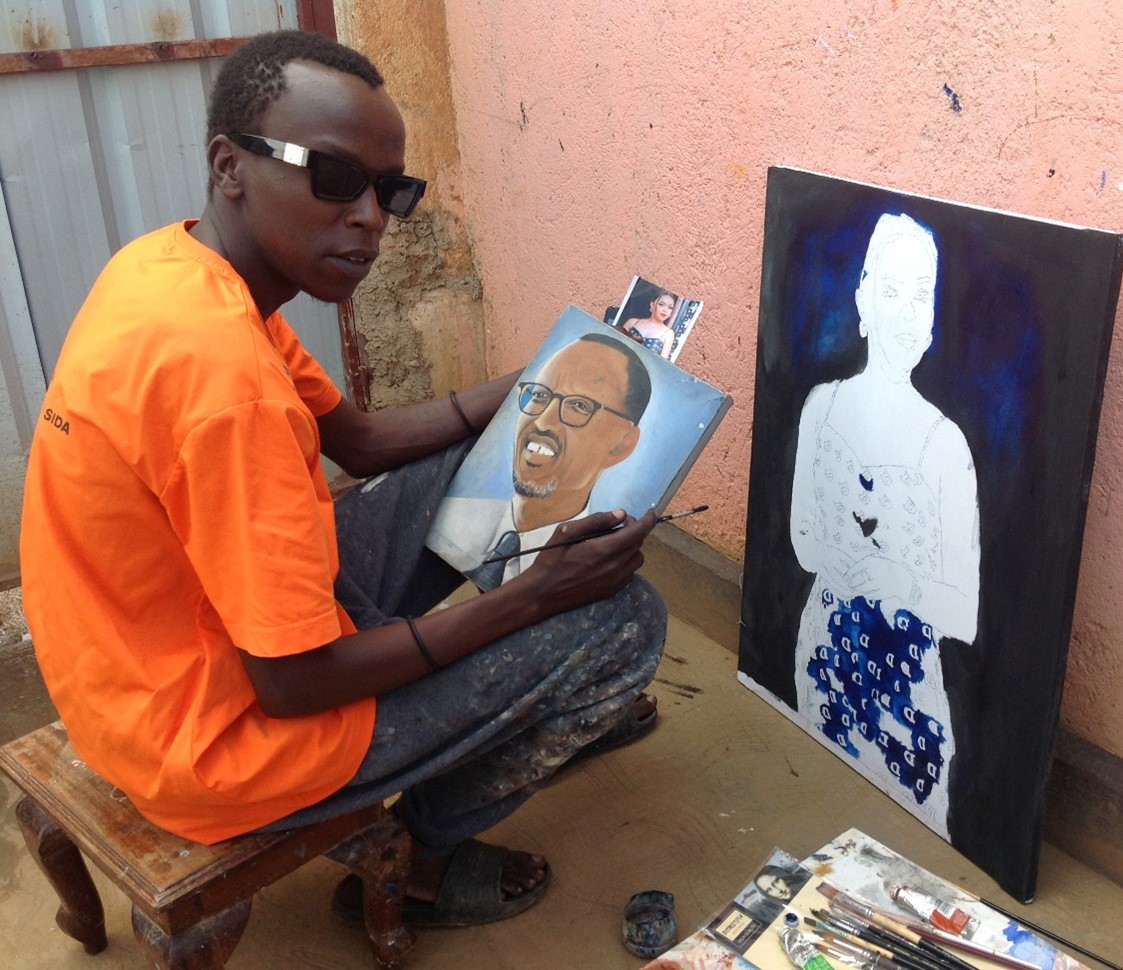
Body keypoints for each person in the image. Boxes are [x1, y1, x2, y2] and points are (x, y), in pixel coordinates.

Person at [19, 29, 664, 932]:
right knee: (624, 626)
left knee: (465, 465)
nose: (366, 215)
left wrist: (539, 383)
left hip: (135, 666)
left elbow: (359, 442)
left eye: (387, 190)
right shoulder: (226, 386)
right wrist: (533, 602)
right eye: (330, 177)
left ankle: (523, 691)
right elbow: (291, 684)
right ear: (229, 163)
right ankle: (432, 856)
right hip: (216, 740)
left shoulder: (178, 267)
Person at [788, 212, 980, 838]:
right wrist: (840, 558)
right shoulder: (823, 407)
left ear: (932, 314)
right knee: (820, 810)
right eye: (890, 292)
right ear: (864, 300)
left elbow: (965, 613)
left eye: (919, 294)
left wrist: (896, 581)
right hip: (825, 655)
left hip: (908, 690)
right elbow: (802, 538)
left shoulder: (946, 445)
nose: (904, 313)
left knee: (904, 838)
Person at [431, 332, 651, 588]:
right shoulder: (450, 516)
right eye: (539, 395)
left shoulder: (586, 576)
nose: (544, 421)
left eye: (579, 406)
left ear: (622, 444)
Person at [620, 289, 678, 359]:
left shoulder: (668, 333)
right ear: (652, 305)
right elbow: (615, 344)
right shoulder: (632, 322)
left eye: (670, 307)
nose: (665, 310)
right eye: (661, 304)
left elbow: (662, 362)